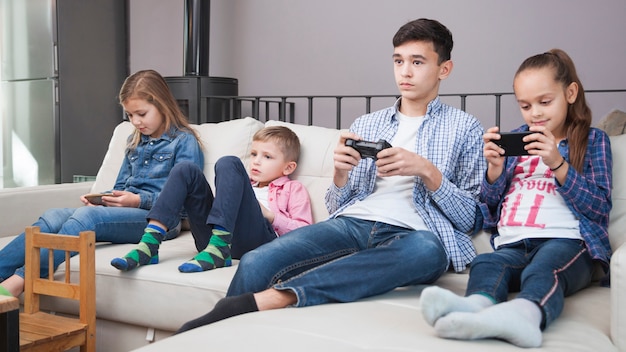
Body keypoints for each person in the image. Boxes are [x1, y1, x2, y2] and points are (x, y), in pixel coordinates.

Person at [175, 18, 486, 333]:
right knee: (256, 262)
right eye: (398, 61)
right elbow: (339, 205)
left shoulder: (465, 127)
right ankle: (218, 336)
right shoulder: (368, 123)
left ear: (444, 69)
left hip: (411, 236)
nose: (404, 72)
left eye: (417, 62)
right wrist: (339, 173)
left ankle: (280, 297)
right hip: (351, 224)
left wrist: (427, 171)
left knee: (429, 252)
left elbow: (471, 218)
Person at [420, 49, 613, 348]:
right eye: (525, 105)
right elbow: (490, 207)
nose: (535, 113)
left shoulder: (592, 140)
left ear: (571, 93)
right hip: (514, 242)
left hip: (567, 242)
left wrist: (557, 164)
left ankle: (526, 316)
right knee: (487, 264)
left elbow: (599, 207)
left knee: (543, 270)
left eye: (544, 102)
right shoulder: (519, 141)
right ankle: (477, 310)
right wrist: (494, 172)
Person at [0, 69, 204, 297]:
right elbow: (121, 186)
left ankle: (21, 279)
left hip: (160, 223)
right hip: (127, 212)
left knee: (88, 218)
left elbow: (184, 206)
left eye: (142, 114)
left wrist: (137, 200)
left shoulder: (184, 142)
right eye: (129, 115)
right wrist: (103, 199)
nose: (135, 122)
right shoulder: (134, 141)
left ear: (162, 105)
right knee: (52, 216)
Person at [110, 125, 313, 273]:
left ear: (288, 167)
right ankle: (149, 245)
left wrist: (270, 215)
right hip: (211, 240)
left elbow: (307, 235)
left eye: (267, 157)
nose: (256, 162)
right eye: (253, 154)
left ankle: (219, 249)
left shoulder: (293, 189)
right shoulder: (243, 183)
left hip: (258, 242)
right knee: (185, 169)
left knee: (229, 162)